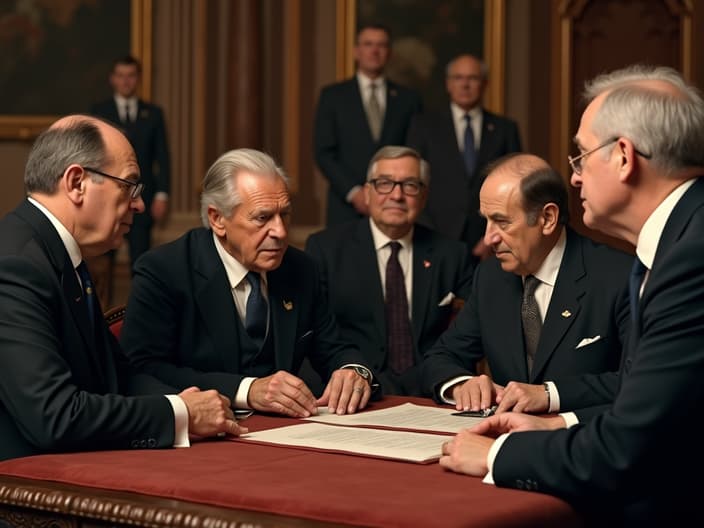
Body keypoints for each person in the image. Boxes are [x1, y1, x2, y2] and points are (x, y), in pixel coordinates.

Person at [438, 65, 704, 526]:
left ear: (623, 156)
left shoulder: (690, 257)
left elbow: (630, 448)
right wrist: (556, 424)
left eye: (581, 156)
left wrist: (499, 453)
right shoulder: (682, 237)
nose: (575, 177)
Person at [0, 115, 243, 462]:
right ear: (77, 182)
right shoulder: (16, 265)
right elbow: (54, 417)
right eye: (129, 186)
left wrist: (188, 402)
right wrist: (182, 413)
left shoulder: (58, 253)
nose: (139, 205)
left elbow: (118, 376)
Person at [120, 149, 376, 418]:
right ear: (218, 219)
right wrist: (246, 390)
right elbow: (141, 370)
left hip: (289, 434)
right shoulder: (164, 270)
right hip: (203, 440)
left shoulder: (301, 268)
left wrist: (354, 371)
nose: (280, 232)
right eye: (263, 218)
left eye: (284, 215)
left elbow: (335, 347)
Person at [422, 153, 631, 418]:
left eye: (502, 222)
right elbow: (440, 357)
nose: (488, 238)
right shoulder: (490, 277)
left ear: (547, 219)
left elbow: (640, 381)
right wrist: (462, 385)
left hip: (585, 443)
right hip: (504, 443)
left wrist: (549, 394)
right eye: (485, 220)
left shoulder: (618, 276)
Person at [305, 146, 474, 396]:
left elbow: (470, 334)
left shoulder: (452, 255)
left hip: (430, 391)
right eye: (384, 183)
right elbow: (318, 336)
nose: (397, 195)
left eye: (410, 185)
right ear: (367, 192)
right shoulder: (326, 250)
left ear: (424, 196)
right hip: (356, 391)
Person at [407, 54, 521, 261]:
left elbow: (515, 189)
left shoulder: (505, 129)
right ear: (448, 84)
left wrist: (495, 235)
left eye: (473, 78)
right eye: (458, 78)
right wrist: (430, 234)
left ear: (485, 84)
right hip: (433, 238)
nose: (465, 84)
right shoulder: (423, 126)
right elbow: (412, 181)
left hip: (489, 241)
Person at [314, 23, 422, 226]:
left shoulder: (409, 100)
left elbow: (415, 151)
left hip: (395, 204)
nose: (374, 50)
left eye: (381, 45)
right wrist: (354, 192)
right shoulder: (333, 96)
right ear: (356, 51)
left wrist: (390, 189)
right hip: (345, 207)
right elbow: (324, 152)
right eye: (368, 44)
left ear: (389, 53)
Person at [91, 55, 171, 272]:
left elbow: (162, 157)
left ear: (138, 79)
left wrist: (162, 195)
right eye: (121, 76)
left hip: (142, 198)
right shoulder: (98, 112)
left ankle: (137, 306)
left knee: (141, 261)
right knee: (102, 262)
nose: (126, 81)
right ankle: (102, 306)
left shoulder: (153, 114)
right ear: (113, 79)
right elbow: (92, 157)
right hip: (107, 196)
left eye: (131, 76)